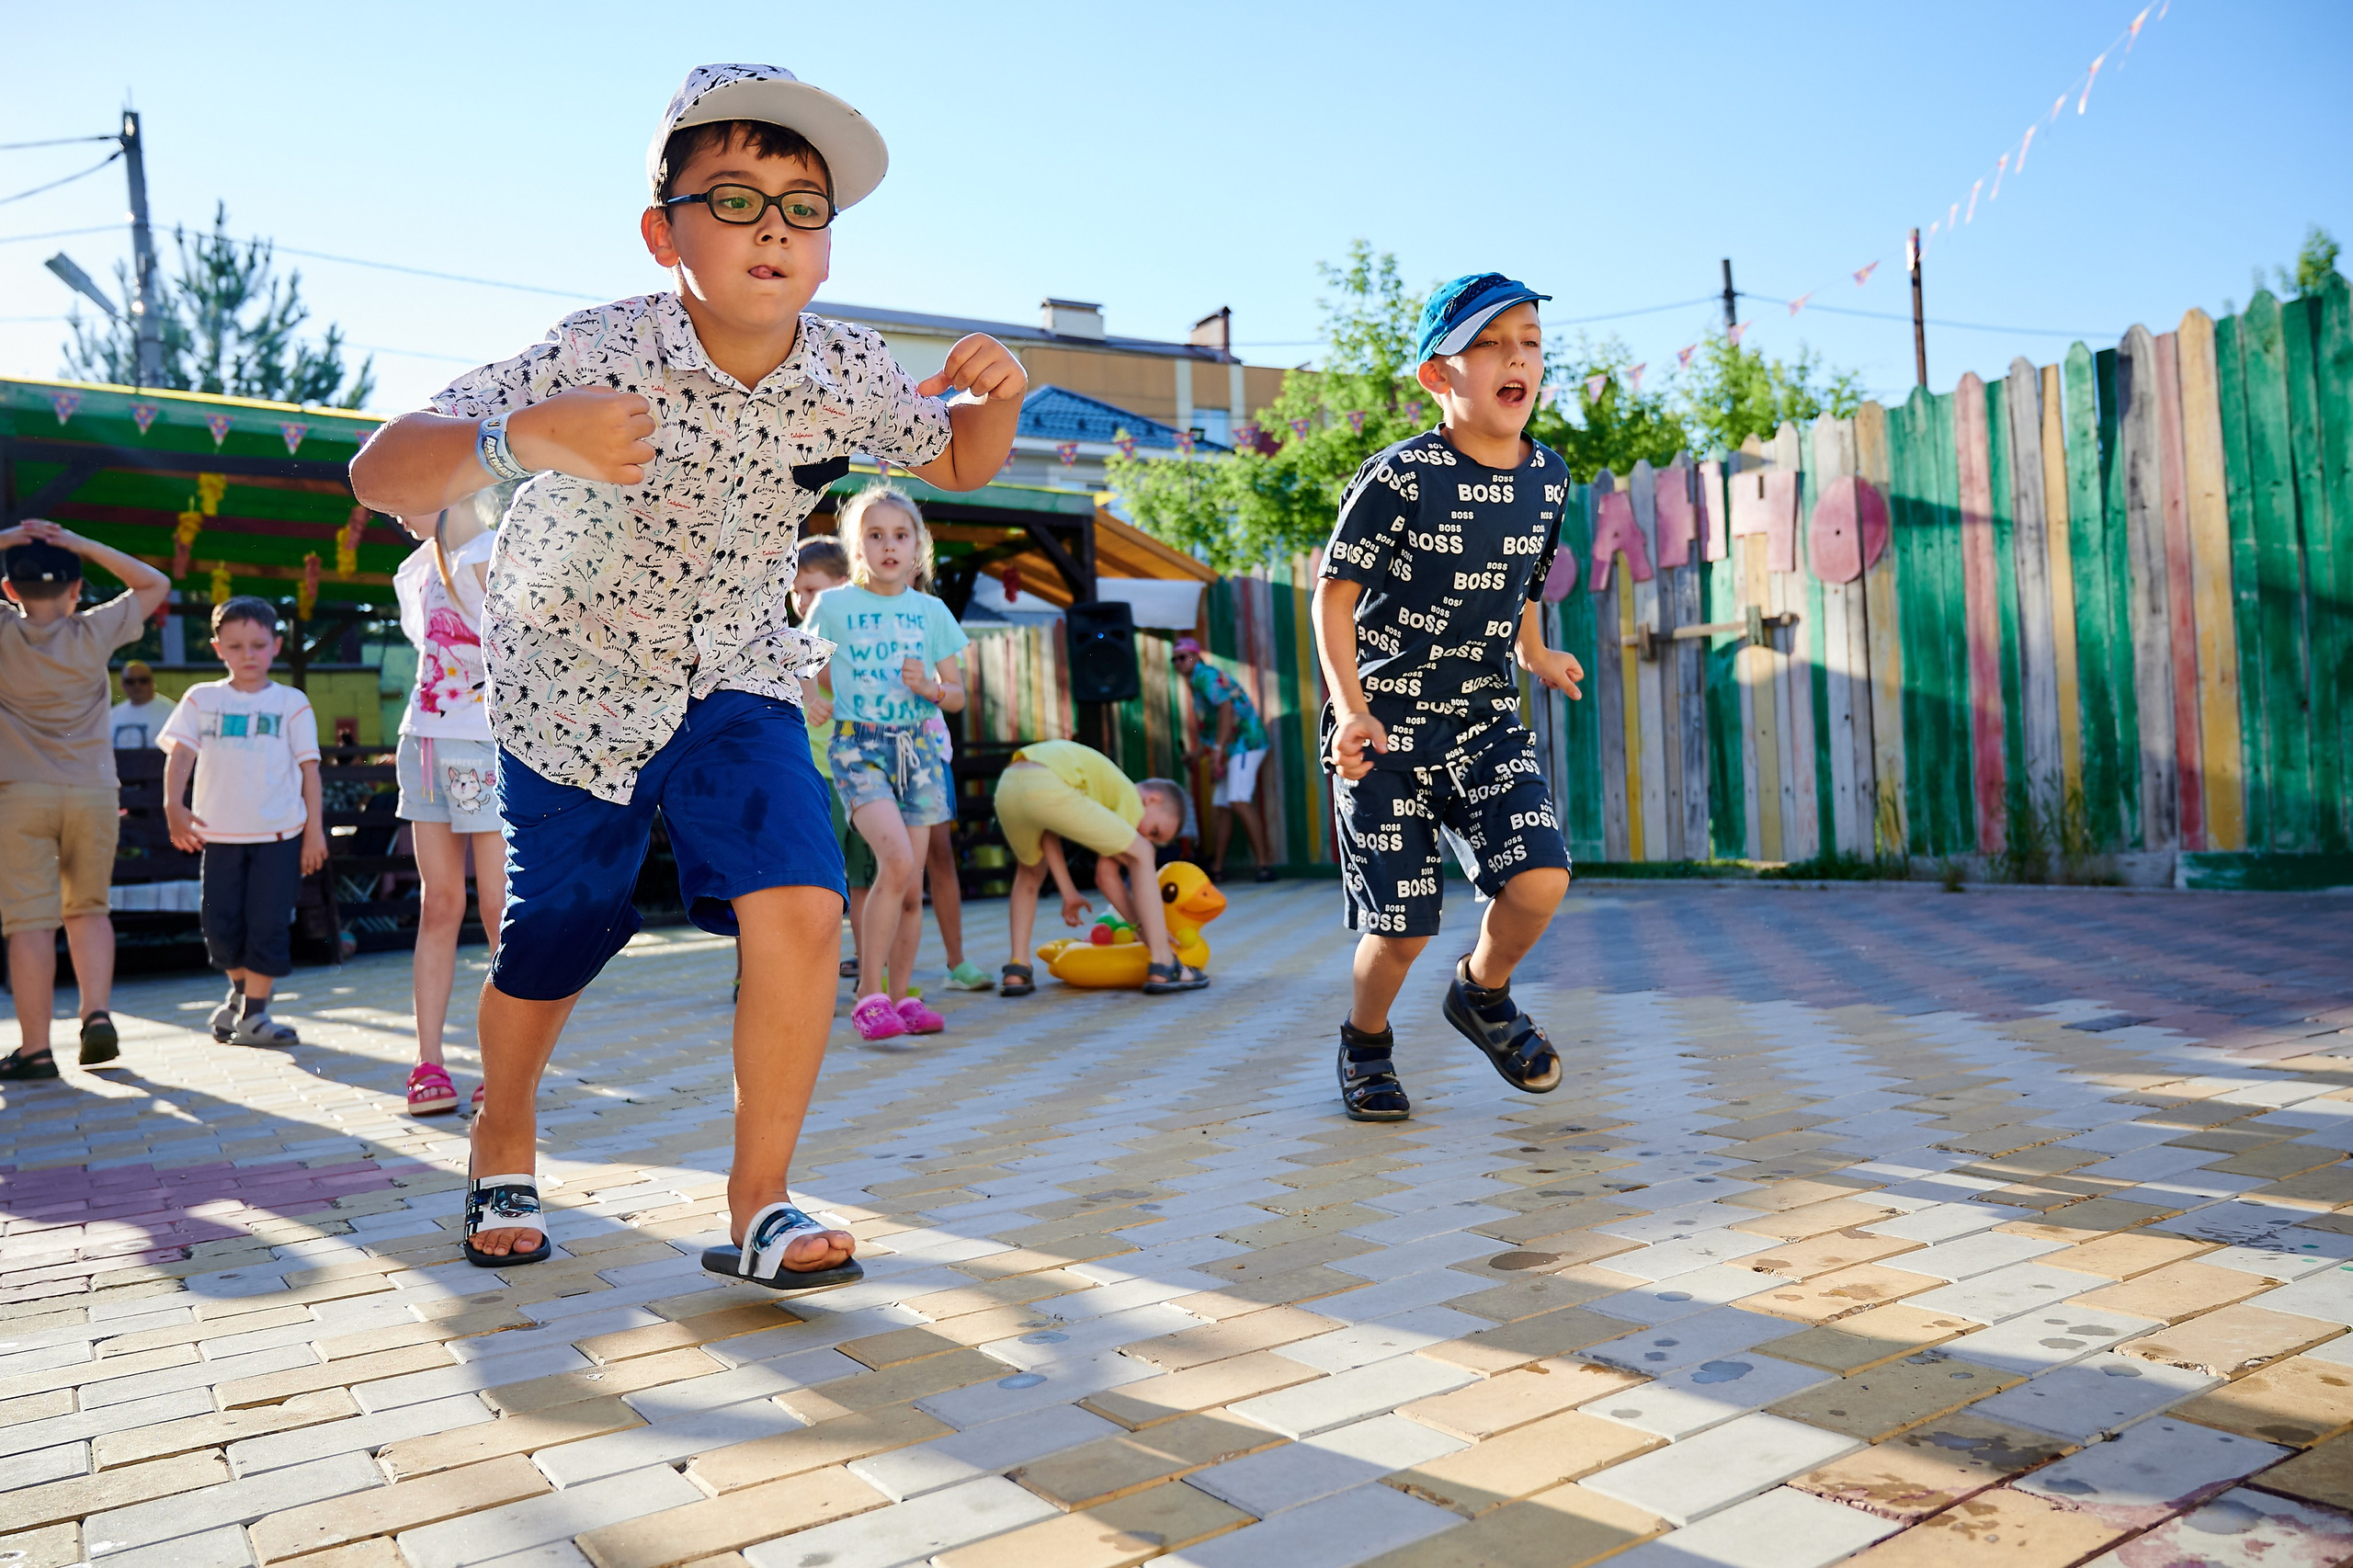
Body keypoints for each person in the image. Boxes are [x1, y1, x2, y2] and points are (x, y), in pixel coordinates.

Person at [347, 63, 1025, 1290]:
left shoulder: (850, 365)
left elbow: (961, 461)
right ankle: (504, 1132)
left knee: (804, 903)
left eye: (802, 204)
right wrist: (524, 440)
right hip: (572, 684)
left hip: (739, 670)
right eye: (735, 196)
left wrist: (997, 402)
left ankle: (759, 1201)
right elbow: (383, 470)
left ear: (826, 248)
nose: (773, 225)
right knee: (558, 928)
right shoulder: (604, 345)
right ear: (665, 233)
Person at [1312, 274, 1586, 1123]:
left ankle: (1482, 991)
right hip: (1385, 727)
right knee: (1401, 928)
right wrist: (1351, 709)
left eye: (1530, 341)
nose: (1518, 357)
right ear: (1441, 375)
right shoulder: (1399, 476)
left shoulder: (1549, 476)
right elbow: (1333, 596)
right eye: (1491, 342)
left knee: (1540, 878)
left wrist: (1535, 651)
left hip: (1482, 718)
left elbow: (1527, 577)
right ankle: (1365, 1043)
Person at [0, 521, 170, 1078]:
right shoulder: (92, 632)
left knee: (29, 922)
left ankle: (35, 1050)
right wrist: (84, 545)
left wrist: (7, 538)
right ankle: (96, 1014)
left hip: (19, 794)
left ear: (9, 590)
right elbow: (154, 584)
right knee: (88, 909)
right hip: (95, 792)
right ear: (76, 590)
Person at [806, 483, 970, 1041]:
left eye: (900, 536)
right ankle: (867, 993)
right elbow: (800, 666)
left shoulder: (932, 611)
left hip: (919, 750)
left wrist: (933, 686)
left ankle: (901, 999)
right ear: (858, 547)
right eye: (875, 536)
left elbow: (959, 693)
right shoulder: (834, 606)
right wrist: (811, 696)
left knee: (908, 881)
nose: (889, 546)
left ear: (918, 547)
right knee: (896, 861)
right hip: (858, 747)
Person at [159, 597, 328, 1049]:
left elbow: (309, 770)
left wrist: (314, 831)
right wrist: (173, 806)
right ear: (218, 648)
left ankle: (255, 1015)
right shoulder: (201, 698)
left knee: (268, 923)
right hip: (218, 836)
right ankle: (239, 996)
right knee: (221, 926)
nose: (247, 655)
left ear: (276, 645)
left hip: (279, 834)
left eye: (258, 644)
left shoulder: (291, 702)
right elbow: (180, 754)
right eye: (236, 646)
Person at [389, 505, 507, 1116]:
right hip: (424, 743)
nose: (394, 509)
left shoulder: (493, 550)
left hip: (484, 745)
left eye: (403, 492)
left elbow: (516, 648)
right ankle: (426, 1060)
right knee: (439, 904)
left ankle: (505, 1066)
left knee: (496, 907)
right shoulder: (414, 568)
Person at [993, 739, 1199, 996]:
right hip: (1045, 780)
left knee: (1030, 872)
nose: (1149, 838)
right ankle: (1165, 963)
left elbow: (1046, 830)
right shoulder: (1129, 797)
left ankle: (1017, 968)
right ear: (1152, 800)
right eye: (1155, 831)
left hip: (1009, 786)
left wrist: (1068, 891)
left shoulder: (1094, 795)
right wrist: (1144, 929)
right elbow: (1106, 875)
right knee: (1142, 853)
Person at [787, 537, 869, 985]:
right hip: (816, 776)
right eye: (797, 592)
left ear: (843, 586)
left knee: (864, 878)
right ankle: (811, 971)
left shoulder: (859, 635)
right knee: (821, 880)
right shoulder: (795, 641)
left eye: (812, 590)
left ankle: (868, 968)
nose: (802, 601)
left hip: (860, 773)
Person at [1172, 635, 1275, 883]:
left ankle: (1265, 866)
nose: (1178, 663)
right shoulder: (1197, 682)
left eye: (1183, 657)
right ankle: (1216, 868)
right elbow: (1214, 728)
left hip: (1245, 744)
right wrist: (1197, 754)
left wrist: (1217, 749)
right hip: (1232, 748)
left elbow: (1226, 708)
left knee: (1238, 800)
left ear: (1196, 656)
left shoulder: (1205, 676)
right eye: (1174, 659)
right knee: (1221, 806)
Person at [110, 661, 176, 749]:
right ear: (123, 685)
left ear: (152, 682)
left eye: (143, 680)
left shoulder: (172, 712)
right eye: (130, 681)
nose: (137, 685)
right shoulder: (112, 715)